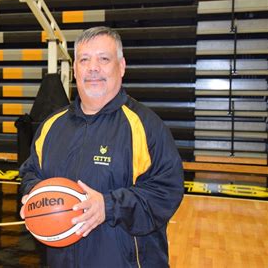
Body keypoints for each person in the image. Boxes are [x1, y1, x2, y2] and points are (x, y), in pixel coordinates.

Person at [19, 26, 184, 267]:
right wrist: (36, 195)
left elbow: (165, 193)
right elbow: (30, 172)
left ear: (122, 66)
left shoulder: (146, 126)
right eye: (84, 60)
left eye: (103, 59)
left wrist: (108, 206)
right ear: (75, 69)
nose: (93, 68)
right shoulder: (50, 126)